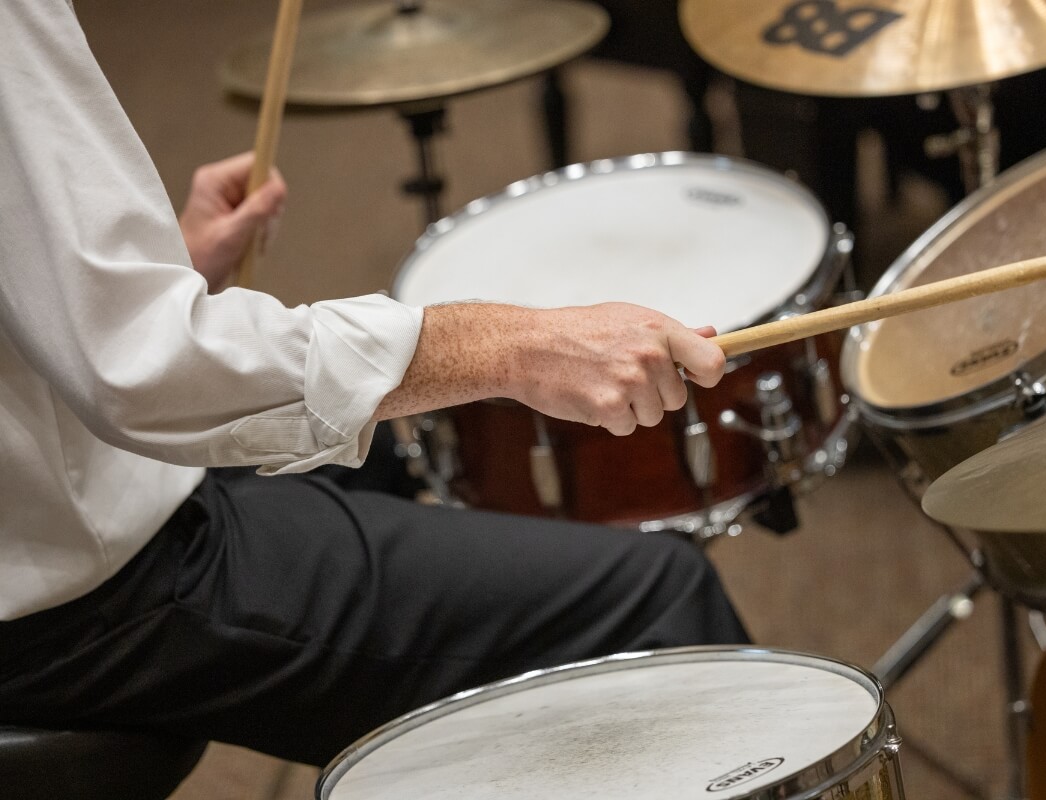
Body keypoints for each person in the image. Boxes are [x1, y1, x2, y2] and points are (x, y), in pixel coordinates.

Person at [0, 0, 749, 768]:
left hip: (60, 495)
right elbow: (140, 371)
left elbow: (97, 340)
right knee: (657, 600)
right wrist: (515, 347)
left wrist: (137, 282)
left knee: (392, 464)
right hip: (72, 595)